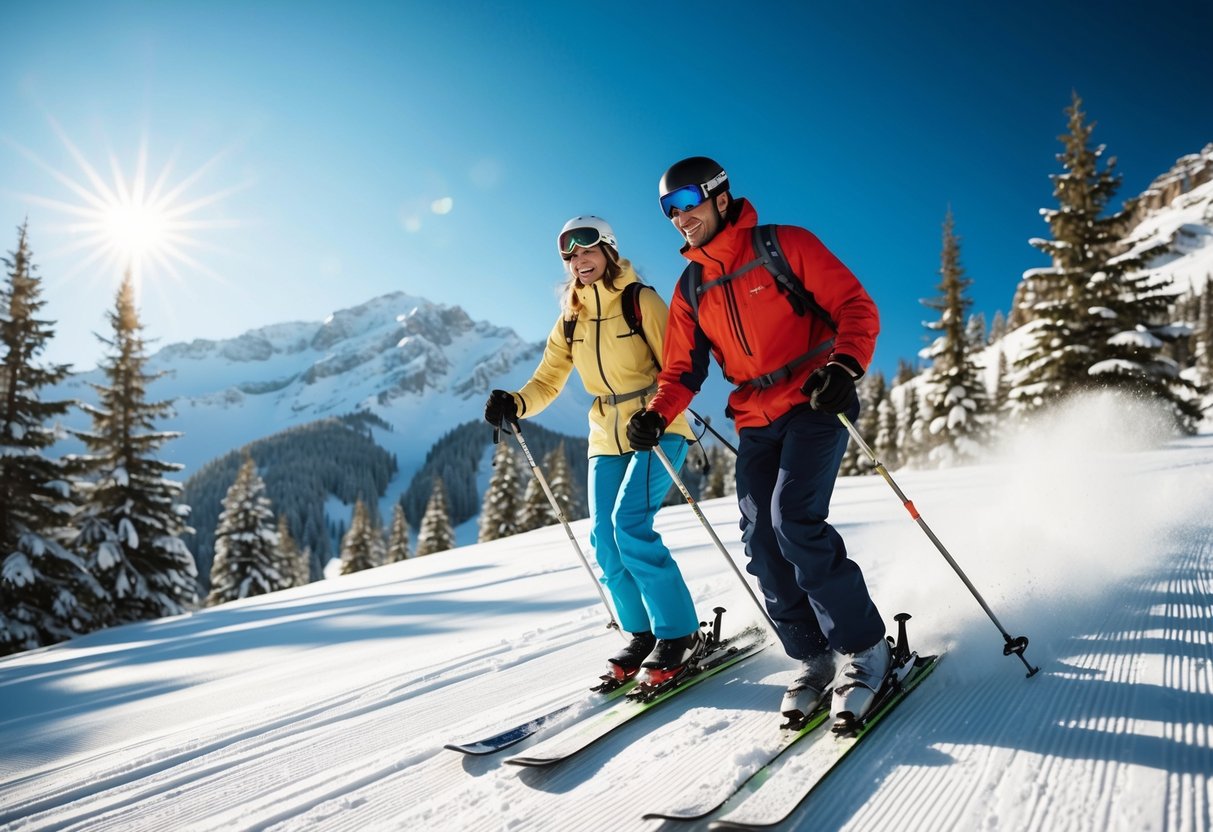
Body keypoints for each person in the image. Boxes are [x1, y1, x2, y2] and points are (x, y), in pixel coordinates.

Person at [626, 157, 890, 726]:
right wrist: (656, 414)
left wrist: (843, 367)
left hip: (817, 397)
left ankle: (866, 648)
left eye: (687, 202)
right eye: (668, 209)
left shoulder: (783, 244)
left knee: (793, 518)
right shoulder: (690, 286)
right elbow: (680, 372)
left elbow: (855, 307)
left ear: (721, 197)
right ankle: (814, 656)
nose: (679, 217)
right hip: (755, 415)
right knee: (760, 539)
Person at [483, 216, 703, 687]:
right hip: (606, 434)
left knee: (630, 526)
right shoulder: (571, 318)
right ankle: (642, 633)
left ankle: (680, 633)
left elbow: (678, 365)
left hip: (656, 427)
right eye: (571, 256)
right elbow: (547, 380)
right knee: (605, 538)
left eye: (588, 252)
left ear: (608, 251)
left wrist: (659, 414)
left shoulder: (640, 300)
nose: (580, 262)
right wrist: (516, 402)